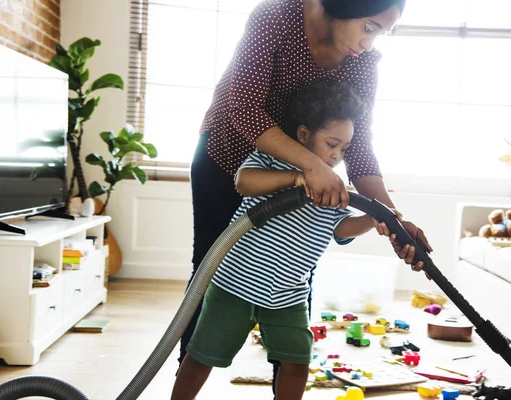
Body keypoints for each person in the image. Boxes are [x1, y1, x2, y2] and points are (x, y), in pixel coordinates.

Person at [181, 0, 434, 393]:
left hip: (310, 168)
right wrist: (311, 170)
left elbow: (360, 146)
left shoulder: (363, 63)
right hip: (230, 154)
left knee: (296, 275)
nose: (370, 43)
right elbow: (244, 108)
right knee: (210, 274)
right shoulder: (276, 18)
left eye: (381, 33)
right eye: (369, 27)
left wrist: (393, 219)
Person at [173, 80, 399, 400]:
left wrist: (371, 219)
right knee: (202, 357)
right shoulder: (273, 161)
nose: (336, 156)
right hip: (235, 285)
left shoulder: (334, 186)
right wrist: (298, 178)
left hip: (288, 294)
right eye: (331, 144)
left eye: (343, 150)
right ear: (304, 135)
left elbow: (339, 229)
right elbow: (244, 182)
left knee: (296, 363)